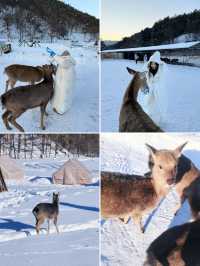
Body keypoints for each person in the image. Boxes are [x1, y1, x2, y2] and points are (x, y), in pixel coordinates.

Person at [137, 51, 167, 126]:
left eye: (154, 63)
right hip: (149, 91)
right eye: (151, 63)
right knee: (147, 105)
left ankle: (155, 121)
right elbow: (142, 77)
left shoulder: (161, 70)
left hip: (157, 91)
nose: (153, 65)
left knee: (156, 106)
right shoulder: (148, 71)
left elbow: (163, 81)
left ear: (157, 64)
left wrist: (157, 88)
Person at [51, 50, 76, 114]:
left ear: (65, 56)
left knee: (63, 96)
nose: (62, 57)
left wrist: (55, 56)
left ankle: (61, 110)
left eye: (62, 56)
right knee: (60, 94)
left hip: (65, 82)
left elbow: (63, 64)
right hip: (63, 81)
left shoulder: (67, 60)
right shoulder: (66, 60)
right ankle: (57, 106)